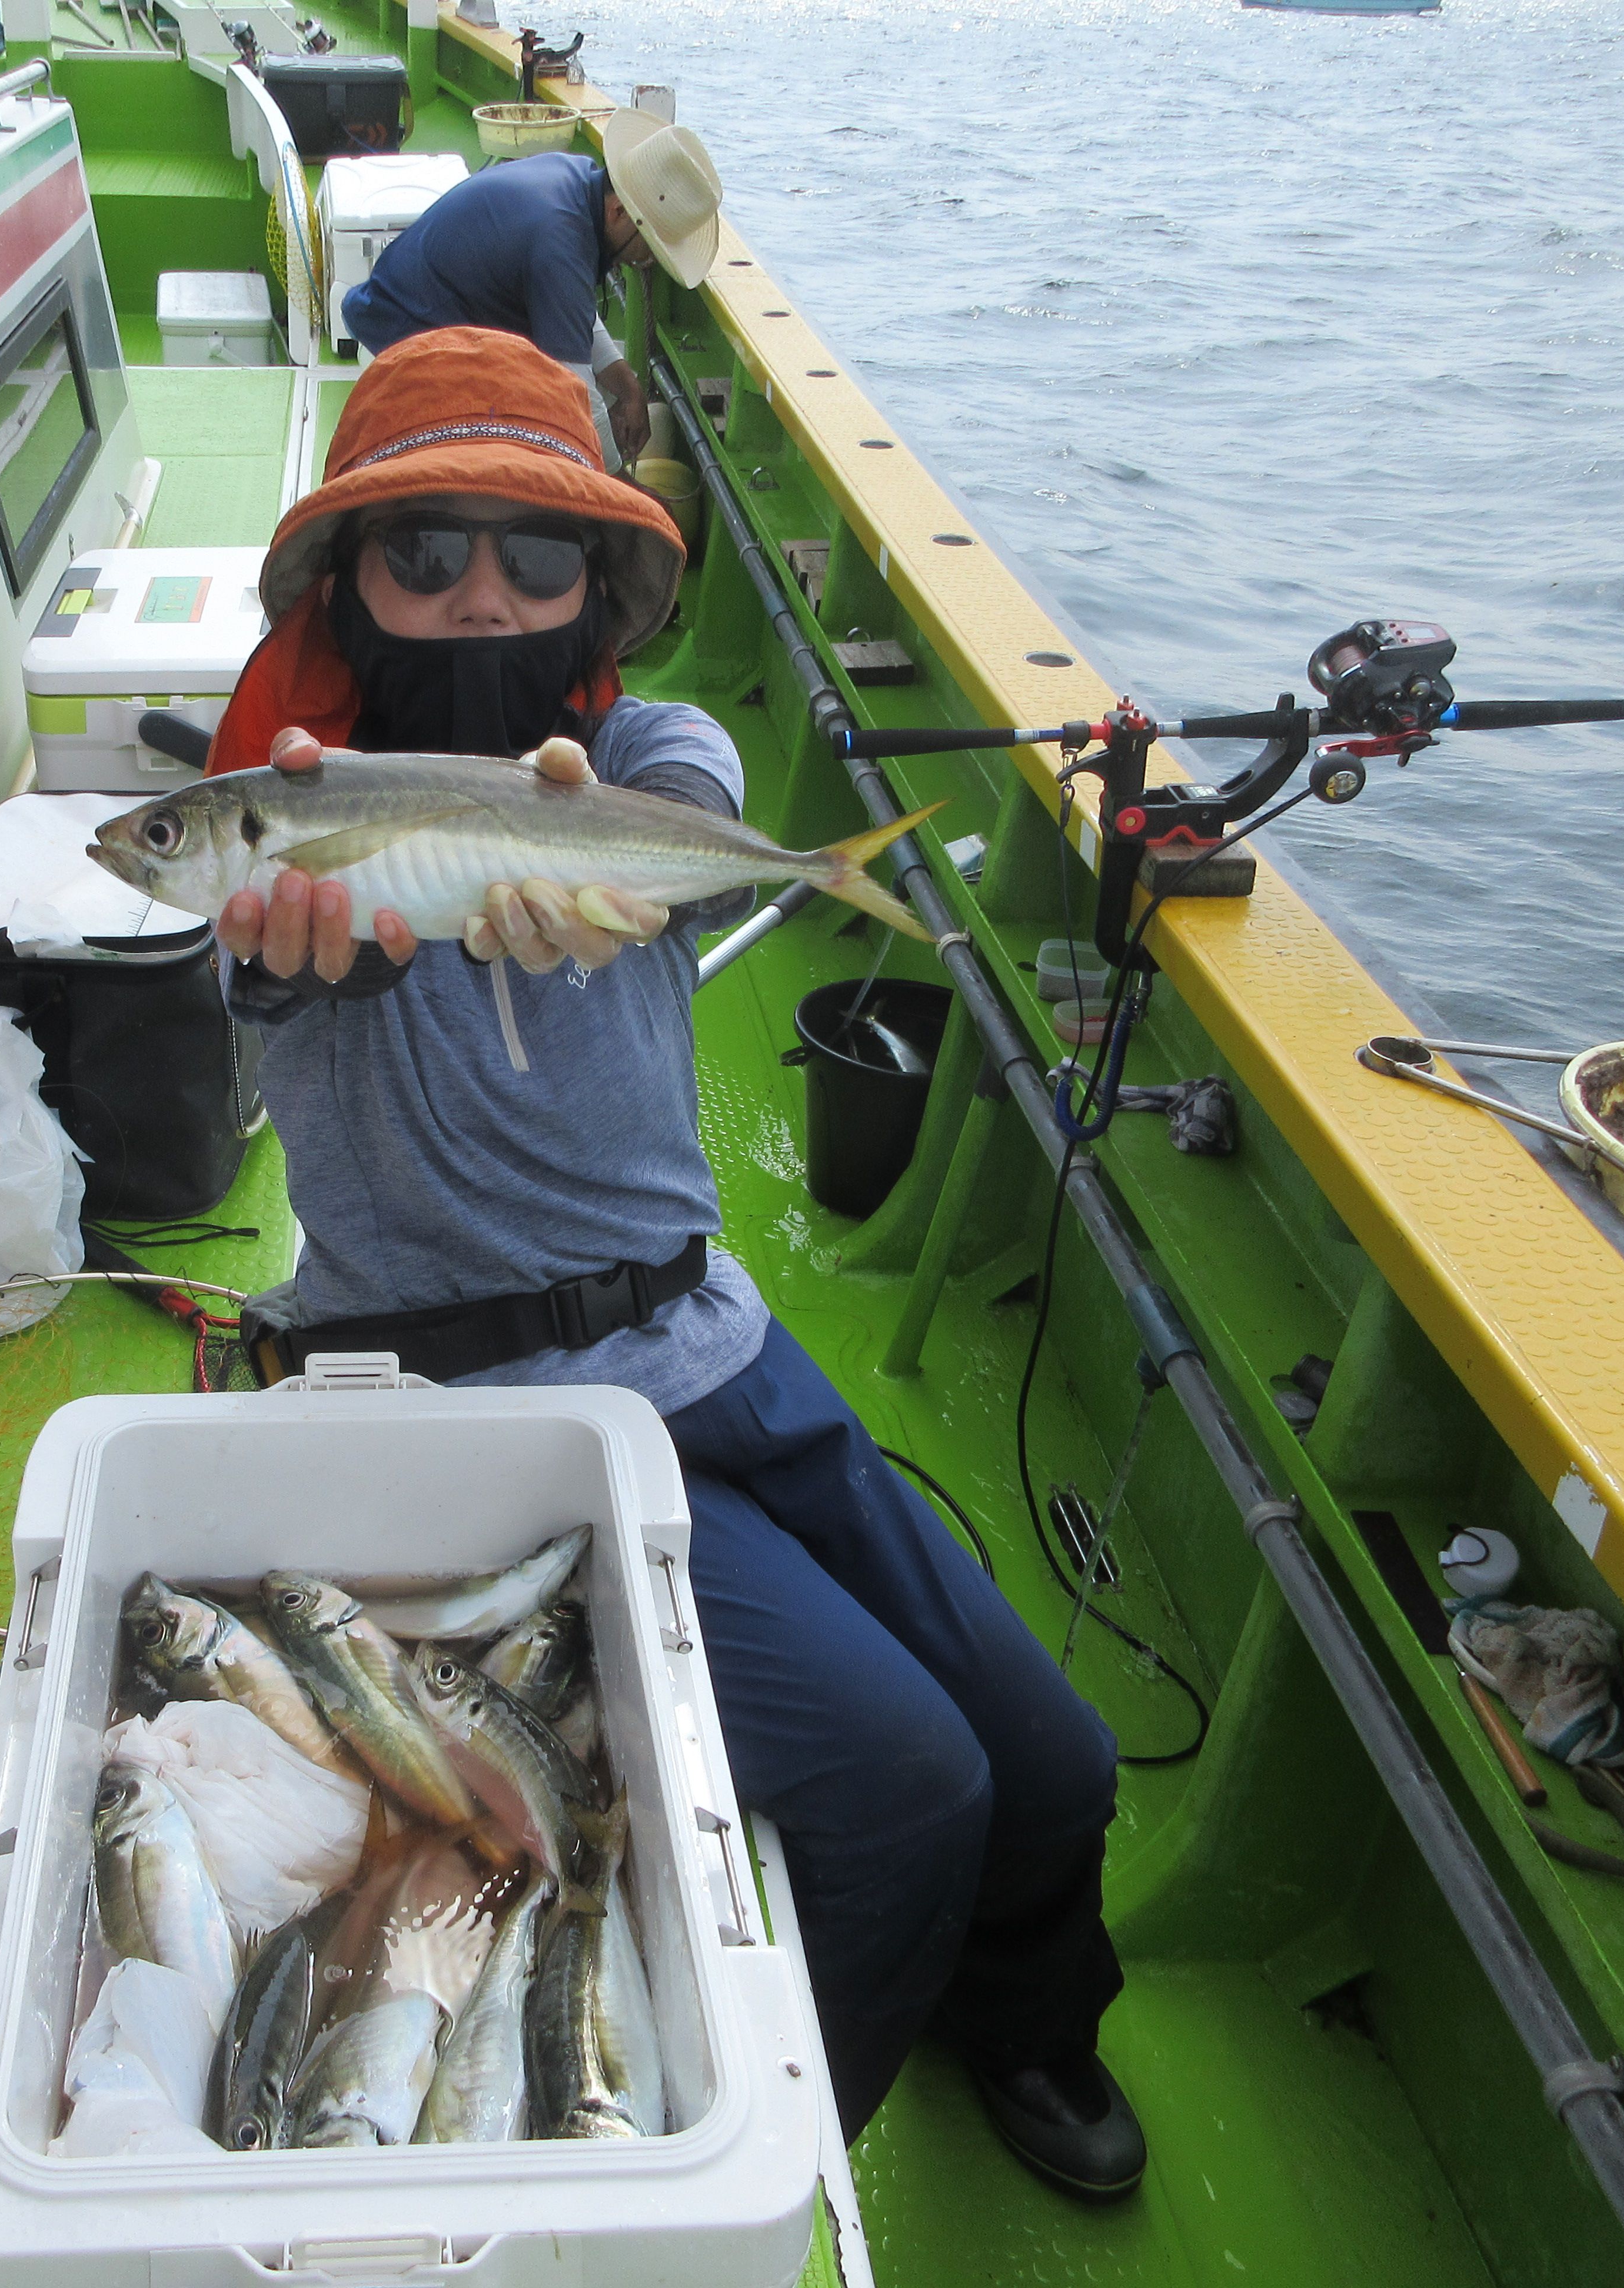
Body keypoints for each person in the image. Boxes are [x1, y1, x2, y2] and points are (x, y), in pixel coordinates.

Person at [202, 325, 1146, 2195]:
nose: (483, 593)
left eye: (537, 553)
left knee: (1058, 1763)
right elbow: (258, 972)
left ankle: (1024, 2022)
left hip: (716, 1344)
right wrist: (320, 944)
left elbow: (685, 801)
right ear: (352, 581)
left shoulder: (637, 752)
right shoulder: (288, 822)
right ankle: (772, 2185)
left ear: (596, 585)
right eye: (427, 551)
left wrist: (616, 867)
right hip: (491, 1407)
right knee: (909, 1785)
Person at [337, 109, 722, 467]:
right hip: (401, 351)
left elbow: (573, 307)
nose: (648, 261)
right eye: (650, 247)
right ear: (620, 212)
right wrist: (623, 491)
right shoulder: (560, 241)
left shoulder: (576, 177)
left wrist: (628, 387)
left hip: (415, 314)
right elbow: (575, 400)